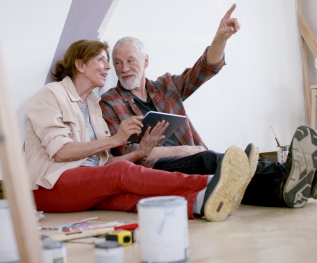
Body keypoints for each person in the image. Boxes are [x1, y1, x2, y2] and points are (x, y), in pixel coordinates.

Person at [100, 4, 317, 208]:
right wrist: (182, 151)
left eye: (130, 60)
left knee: (223, 173)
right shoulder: (110, 102)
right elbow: (125, 153)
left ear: (145, 61)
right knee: (210, 161)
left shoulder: (166, 86)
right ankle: (294, 172)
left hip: (191, 156)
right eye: (118, 62)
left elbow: (202, 70)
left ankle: (289, 186)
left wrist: (220, 38)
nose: (123, 68)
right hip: (154, 168)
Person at [24, 39, 253, 222]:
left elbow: (101, 166)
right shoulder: (51, 94)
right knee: (122, 172)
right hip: (50, 187)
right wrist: (116, 139)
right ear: (80, 64)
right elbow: (62, 152)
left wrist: (139, 152)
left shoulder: (94, 105)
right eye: (102, 60)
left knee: (130, 199)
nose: (108, 67)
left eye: (108, 62)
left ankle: (201, 202)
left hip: (84, 185)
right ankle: (210, 183)